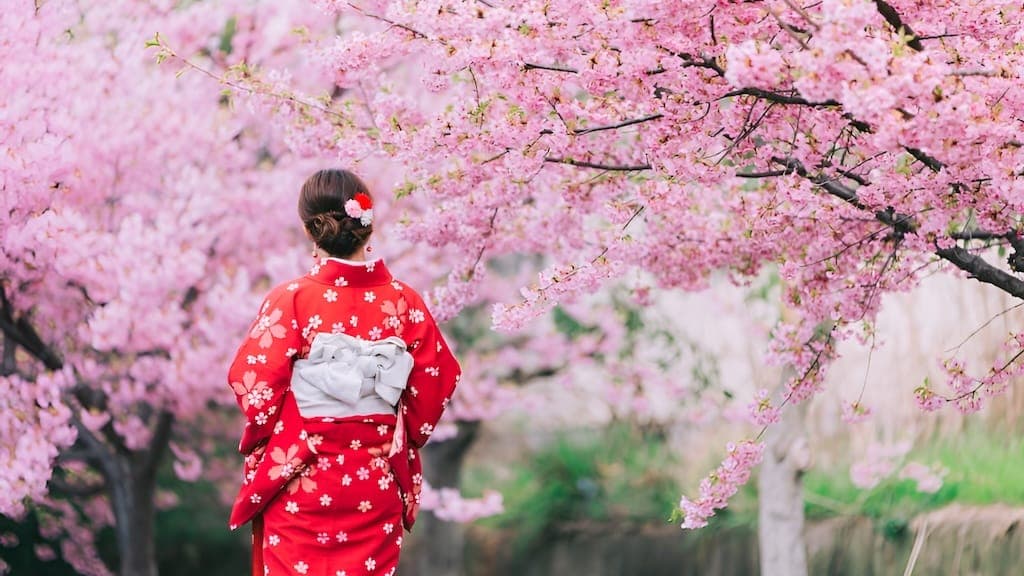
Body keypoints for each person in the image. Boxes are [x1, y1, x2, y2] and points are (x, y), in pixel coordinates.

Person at [226, 169, 461, 576]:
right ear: (367, 227)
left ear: (309, 229)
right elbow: (437, 382)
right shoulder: (405, 302)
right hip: (374, 479)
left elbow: (256, 386)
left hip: (302, 478)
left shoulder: (291, 299)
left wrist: (284, 438)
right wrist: (390, 434)